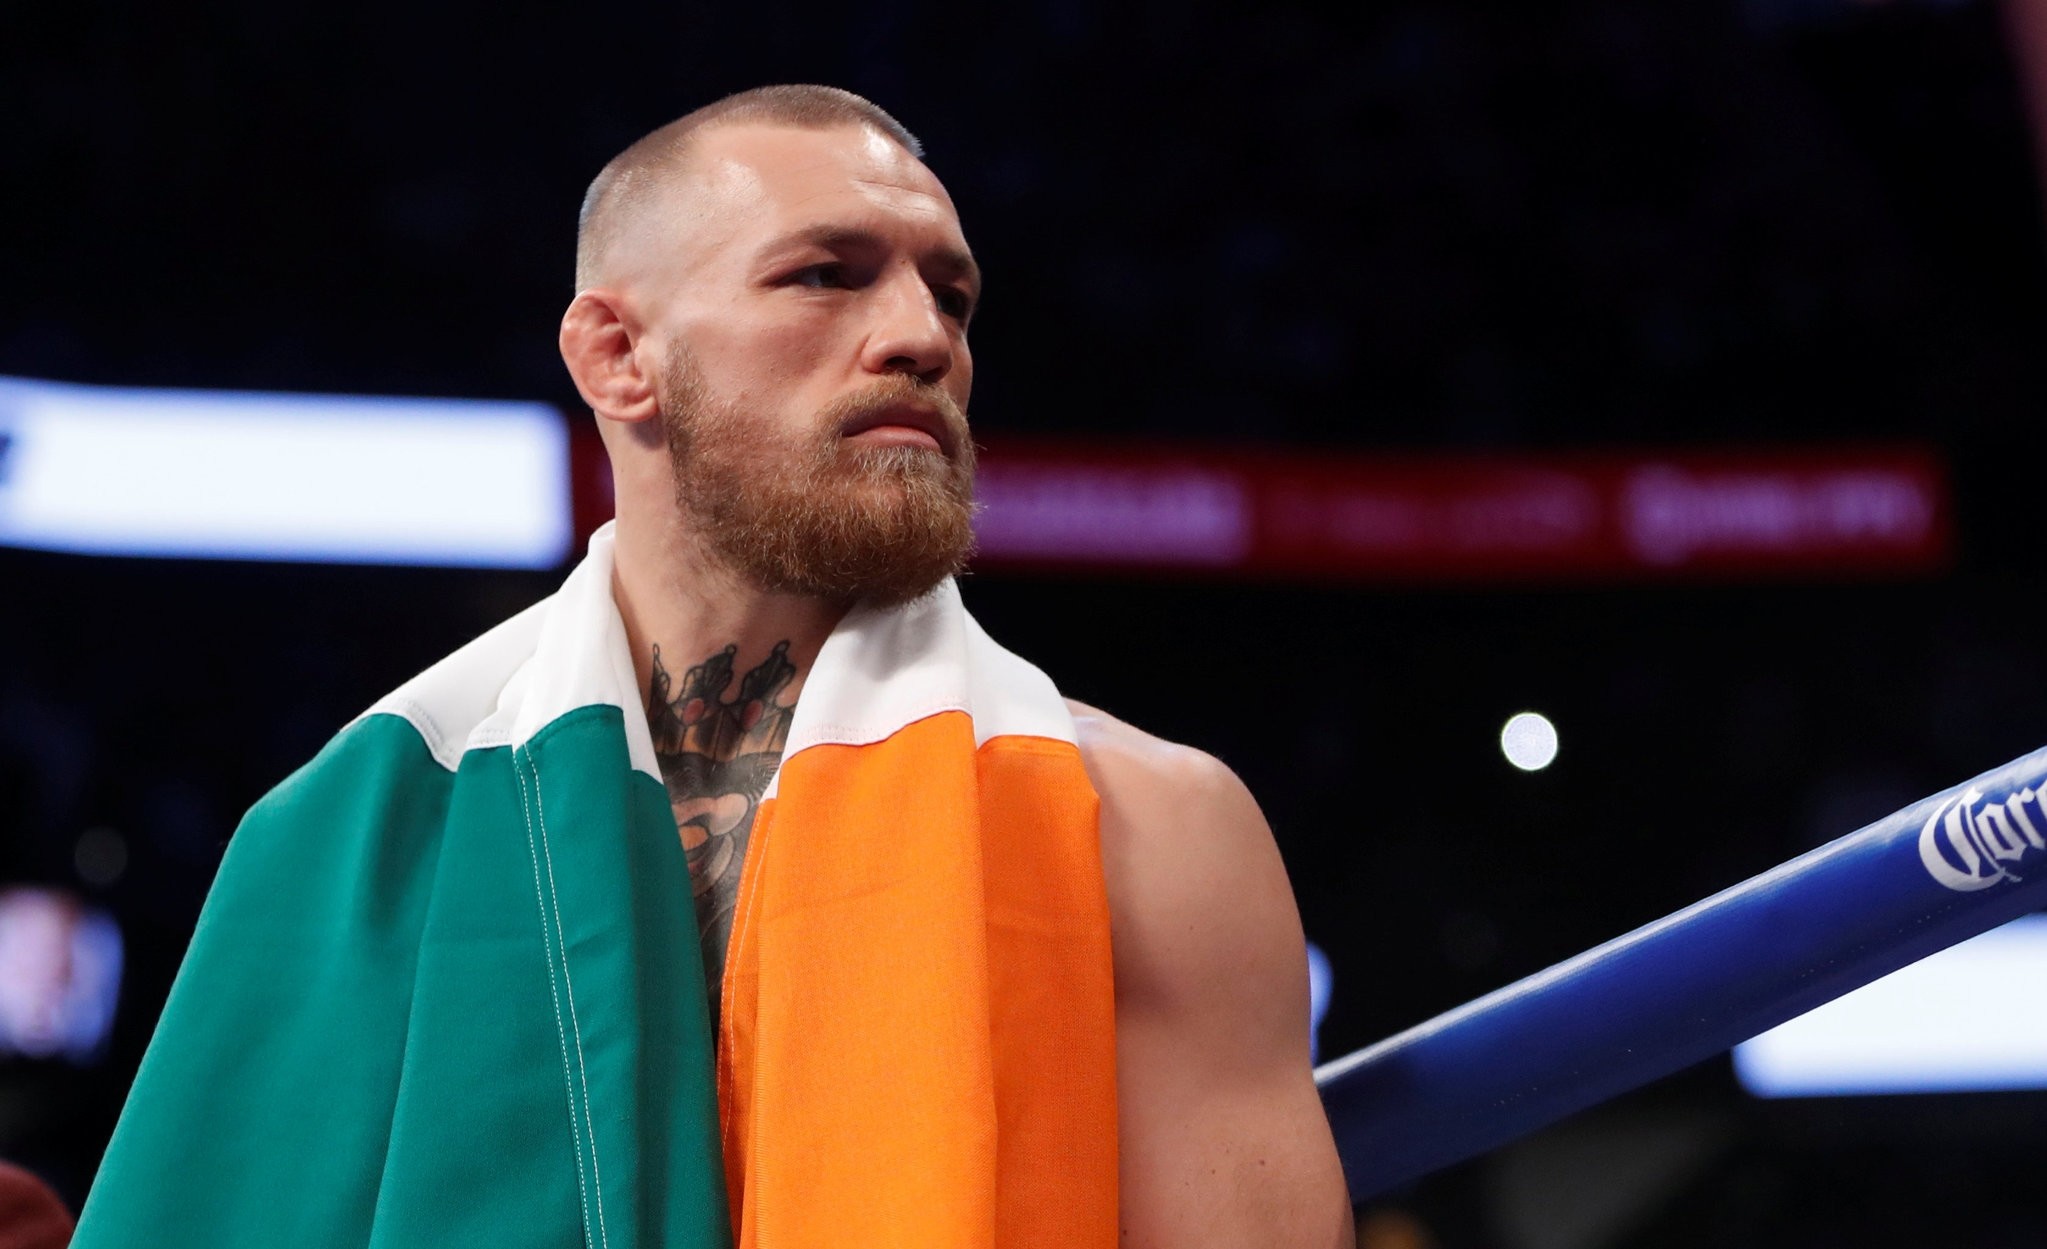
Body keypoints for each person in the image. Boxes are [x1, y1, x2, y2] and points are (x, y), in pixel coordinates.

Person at [73, 86, 1351, 1248]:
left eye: (950, 296)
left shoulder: (1152, 828)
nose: (921, 338)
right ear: (617, 358)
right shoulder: (339, 841)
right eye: (825, 275)